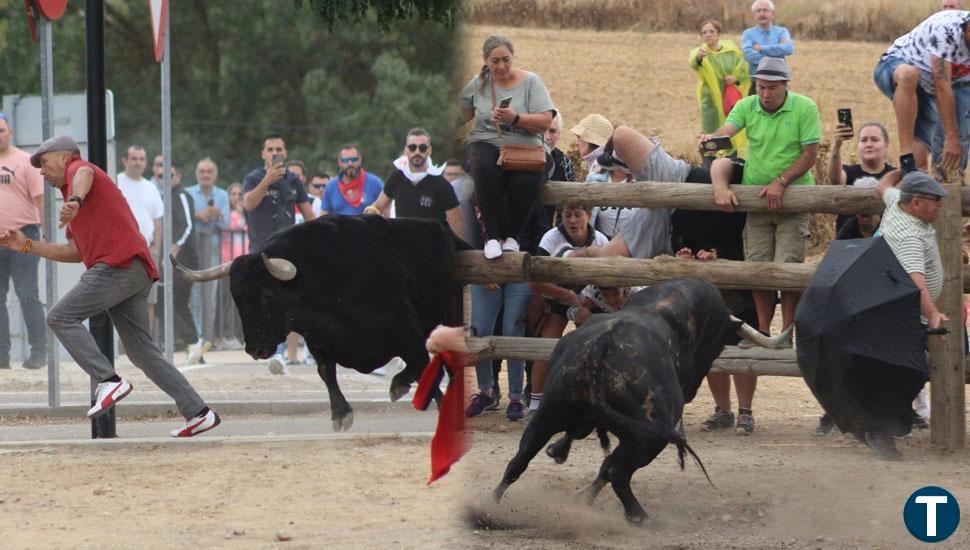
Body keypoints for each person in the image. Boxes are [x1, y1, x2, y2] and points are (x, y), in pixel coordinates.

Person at [0, 135, 220, 437]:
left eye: (43, 162)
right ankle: (198, 412)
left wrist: (76, 201)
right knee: (141, 352)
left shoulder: (80, 172)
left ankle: (109, 380)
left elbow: (85, 173)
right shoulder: (70, 196)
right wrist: (28, 247)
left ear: (64, 157)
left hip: (118, 266)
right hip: (133, 270)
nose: (40, 170)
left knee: (60, 316)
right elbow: (74, 253)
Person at [701, 56, 820, 435]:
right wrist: (713, 139)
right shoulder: (747, 105)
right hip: (757, 199)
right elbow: (729, 128)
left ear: (785, 85)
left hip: (792, 199)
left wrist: (782, 182)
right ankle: (767, 331)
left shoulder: (805, 108)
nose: (765, 93)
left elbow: (810, 154)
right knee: (757, 268)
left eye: (772, 86)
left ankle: (788, 333)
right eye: (761, 86)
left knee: (787, 267)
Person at [459, 34, 556, 260]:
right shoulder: (478, 84)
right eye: (495, 61)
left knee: (527, 178)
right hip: (487, 140)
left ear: (513, 58)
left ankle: (512, 236)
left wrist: (515, 118)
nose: (501, 66)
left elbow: (545, 120)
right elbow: (456, 116)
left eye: (506, 59)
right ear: (485, 61)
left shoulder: (531, 82)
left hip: (526, 145)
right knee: (483, 166)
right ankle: (491, 236)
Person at [242, 133, 315, 374]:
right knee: (264, 302)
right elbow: (248, 204)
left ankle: (285, 354)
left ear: (285, 152)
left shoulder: (294, 181)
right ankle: (268, 349)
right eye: (270, 149)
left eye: (279, 149)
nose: (275, 153)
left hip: (289, 249)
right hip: (261, 250)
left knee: (288, 301)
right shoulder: (253, 178)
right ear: (263, 154)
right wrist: (267, 180)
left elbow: (308, 216)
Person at [525, 204, 609, 413]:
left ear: (589, 215)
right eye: (567, 215)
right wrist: (567, 296)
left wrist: (586, 302)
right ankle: (536, 402)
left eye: (578, 215)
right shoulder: (550, 239)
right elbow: (535, 282)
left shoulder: (601, 240)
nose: (572, 221)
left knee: (592, 345)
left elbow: (608, 278)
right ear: (560, 215)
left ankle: (590, 399)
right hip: (556, 296)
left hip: (589, 298)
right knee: (548, 345)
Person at [873, 10, 970, 175]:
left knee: (920, 168)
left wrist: (955, 137)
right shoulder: (946, 29)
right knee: (909, 75)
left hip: (933, 89)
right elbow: (941, 85)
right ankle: (905, 156)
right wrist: (951, 137)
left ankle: (947, 186)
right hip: (896, 66)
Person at [0, 112, 47, 370]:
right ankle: (1, 356)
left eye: (1, 130)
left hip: (24, 236)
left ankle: (39, 352)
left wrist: (45, 231)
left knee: (27, 293)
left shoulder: (25, 162)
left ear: (10, 132)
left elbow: (40, 198)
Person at [364, 127, 465, 239]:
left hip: (431, 245)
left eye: (422, 148)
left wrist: (459, 252)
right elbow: (378, 207)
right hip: (403, 243)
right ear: (406, 150)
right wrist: (368, 217)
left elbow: (457, 222)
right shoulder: (397, 177)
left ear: (429, 150)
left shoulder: (441, 184)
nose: (417, 152)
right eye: (412, 148)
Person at [153, 163, 209, 365]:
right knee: (178, 304)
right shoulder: (163, 198)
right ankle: (196, 349)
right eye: (160, 175)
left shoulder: (181, 195)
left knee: (162, 302)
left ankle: (194, 341)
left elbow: (187, 225)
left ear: (178, 176)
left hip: (183, 259)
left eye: (169, 174)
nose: (165, 178)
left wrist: (175, 246)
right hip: (174, 259)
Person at [690, 19, 750, 164]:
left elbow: (743, 72)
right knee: (710, 132)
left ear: (718, 34)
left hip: (729, 100)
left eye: (711, 31)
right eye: (704, 32)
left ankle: (731, 162)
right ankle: (708, 165)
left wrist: (735, 78)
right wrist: (698, 58)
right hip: (709, 101)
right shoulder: (700, 52)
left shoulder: (731, 51)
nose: (708, 35)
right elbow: (693, 62)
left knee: (731, 129)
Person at [828, 121, 895, 231]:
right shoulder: (849, 172)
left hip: (885, 241)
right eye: (863, 140)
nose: (869, 144)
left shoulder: (894, 176)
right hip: (849, 241)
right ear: (858, 145)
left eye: (874, 139)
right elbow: (835, 179)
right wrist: (837, 145)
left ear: (886, 145)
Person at [214, 182, 246, 351]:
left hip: (244, 263)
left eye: (240, 194)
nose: (237, 197)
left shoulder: (247, 215)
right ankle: (223, 336)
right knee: (226, 302)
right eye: (233, 194)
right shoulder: (229, 215)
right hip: (228, 262)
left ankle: (240, 335)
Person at [741, 0, 794, 95]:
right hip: (757, 83)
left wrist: (761, 48)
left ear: (773, 13)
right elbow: (747, 55)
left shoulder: (782, 32)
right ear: (754, 15)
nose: (762, 14)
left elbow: (788, 49)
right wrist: (777, 54)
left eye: (765, 10)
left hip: (779, 81)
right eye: (758, 11)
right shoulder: (748, 34)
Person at [318, 144, 383, 216]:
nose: (350, 163)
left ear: (360, 161)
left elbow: (386, 213)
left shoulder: (375, 183)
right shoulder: (331, 186)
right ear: (340, 163)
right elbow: (323, 216)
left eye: (354, 159)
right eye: (346, 160)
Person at [571, 113, 614, 182]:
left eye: (579, 137)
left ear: (589, 140)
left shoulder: (598, 168)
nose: (577, 143)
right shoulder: (609, 162)